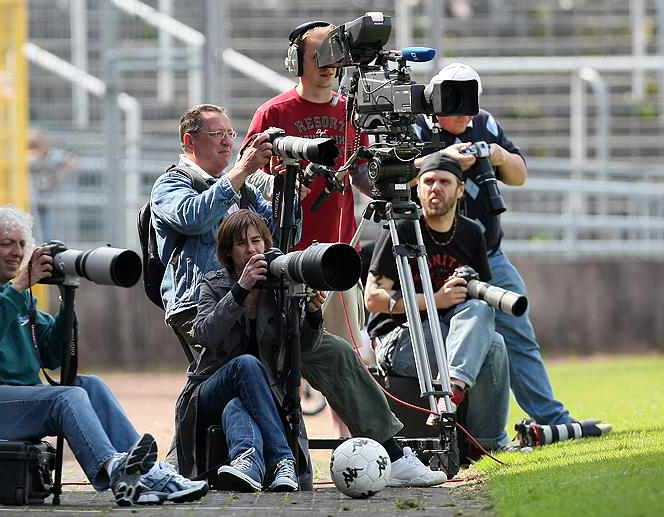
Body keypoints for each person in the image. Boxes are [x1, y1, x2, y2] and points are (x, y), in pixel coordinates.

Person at [152, 104, 447, 488]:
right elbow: (194, 217)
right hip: (204, 308)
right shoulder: (171, 185)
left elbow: (277, 236)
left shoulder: (242, 188)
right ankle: (274, 461)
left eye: (230, 133)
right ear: (189, 141)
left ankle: (391, 452)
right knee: (248, 372)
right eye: (217, 134)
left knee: (335, 351)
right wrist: (244, 172)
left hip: (265, 304)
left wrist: (287, 191)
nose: (229, 141)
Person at [0, 205, 208, 506]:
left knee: (89, 385)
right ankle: (116, 472)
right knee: (66, 397)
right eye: (7, 243)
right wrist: (21, 286)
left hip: (15, 398)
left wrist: (66, 299)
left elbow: (53, 354)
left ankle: (149, 473)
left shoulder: (21, 297)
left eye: (22, 244)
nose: (18, 252)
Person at [414, 63, 611, 431]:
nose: (465, 112)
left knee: (518, 331)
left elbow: (518, 175)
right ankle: (455, 425)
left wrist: (499, 156)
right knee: (447, 336)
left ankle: (552, 420)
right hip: (427, 255)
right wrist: (446, 159)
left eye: (471, 102)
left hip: (487, 253)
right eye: (456, 102)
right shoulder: (416, 126)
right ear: (437, 99)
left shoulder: (485, 123)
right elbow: (389, 175)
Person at [244, 21, 373, 438]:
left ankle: (352, 445)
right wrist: (281, 183)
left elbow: (366, 175)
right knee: (277, 355)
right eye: (318, 55)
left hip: (338, 258)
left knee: (342, 358)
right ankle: (278, 445)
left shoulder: (351, 111)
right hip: (285, 257)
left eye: (335, 54)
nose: (329, 64)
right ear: (296, 62)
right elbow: (246, 178)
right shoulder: (274, 113)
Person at [364, 152, 511, 455]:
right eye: (428, 181)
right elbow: (373, 298)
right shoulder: (402, 227)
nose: (435, 188)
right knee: (481, 345)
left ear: (460, 190)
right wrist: (435, 299)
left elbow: (480, 296)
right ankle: (480, 431)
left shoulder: (471, 233)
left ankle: (480, 439)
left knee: (492, 340)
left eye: (445, 182)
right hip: (399, 339)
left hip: (449, 333)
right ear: (417, 188)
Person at [177, 209, 316, 492]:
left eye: (256, 241)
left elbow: (305, 348)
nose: (251, 249)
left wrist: (313, 316)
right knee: (246, 364)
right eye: (241, 244)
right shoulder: (213, 284)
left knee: (237, 405)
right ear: (228, 252)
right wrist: (240, 290)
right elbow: (204, 334)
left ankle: (248, 463)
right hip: (207, 392)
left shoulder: (280, 286)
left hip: (262, 395)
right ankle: (282, 459)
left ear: (266, 244)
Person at [27, 128, 78, 242]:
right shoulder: (26, 155)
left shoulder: (50, 155)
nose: (47, 147)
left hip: (42, 199)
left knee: (43, 232)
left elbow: (71, 159)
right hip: (27, 199)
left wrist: (57, 177)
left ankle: (43, 249)